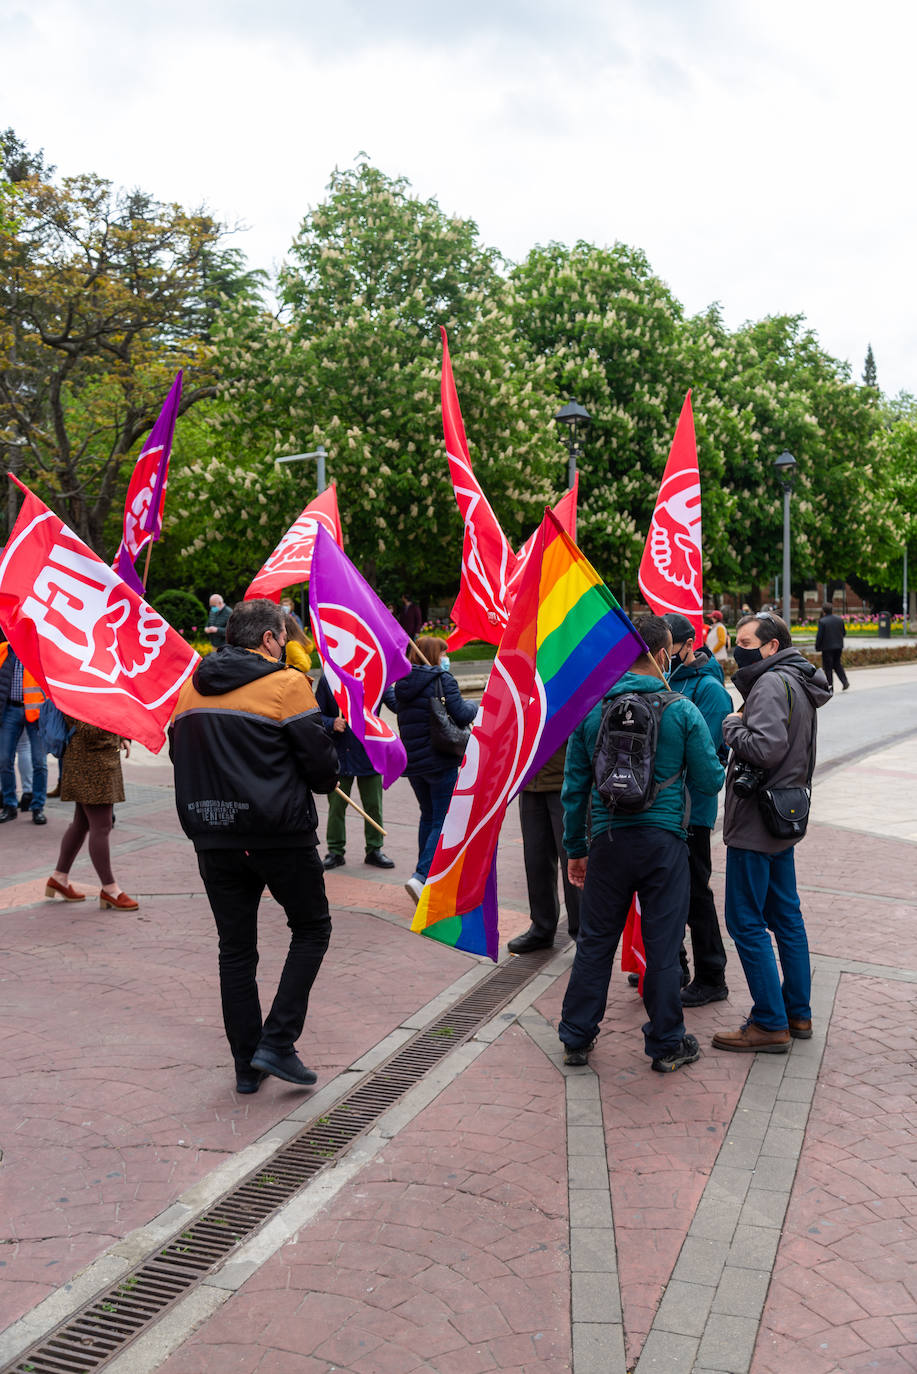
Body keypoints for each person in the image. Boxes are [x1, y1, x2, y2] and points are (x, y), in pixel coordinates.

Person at [169, 599, 339, 1093]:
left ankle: (247, 1066)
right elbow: (323, 773)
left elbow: (181, 754)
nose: (288, 644)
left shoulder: (189, 691)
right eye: (284, 636)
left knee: (235, 950)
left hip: (212, 834)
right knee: (312, 928)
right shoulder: (287, 685)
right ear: (269, 639)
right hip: (278, 834)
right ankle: (278, 1042)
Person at [558, 616, 725, 1072]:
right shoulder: (682, 709)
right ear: (662, 651)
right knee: (663, 945)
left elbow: (574, 790)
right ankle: (667, 1044)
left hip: (608, 841)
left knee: (595, 943)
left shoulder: (592, 710)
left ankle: (576, 1036)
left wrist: (577, 849)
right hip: (664, 844)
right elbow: (710, 780)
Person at [713, 612, 830, 1054]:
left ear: (771, 647)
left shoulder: (767, 685)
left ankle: (768, 1022)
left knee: (745, 921)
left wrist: (730, 723)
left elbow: (763, 747)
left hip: (756, 821)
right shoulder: (797, 682)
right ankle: (797, 1012)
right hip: (785, 813)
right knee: (786, 916)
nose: (736, 648)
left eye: (745, 641)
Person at [664, 613, 733, 1006]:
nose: (664, 653)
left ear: (690, 644)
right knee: (665, 893)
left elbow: (703, 755)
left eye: (671, 645)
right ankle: (675, 967)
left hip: (692, 810)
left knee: (694, 893)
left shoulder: (709, 690)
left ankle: (712, 975)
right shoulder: (666, 679)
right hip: (661, 808)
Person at [393, 635, 477, 905]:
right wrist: (477, 704)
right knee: (442, 818)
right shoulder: (442, 679)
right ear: (433, 655)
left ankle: (423, 878)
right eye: (442, 654)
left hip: (415, 764)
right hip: (441, 759)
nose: (445, 659)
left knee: (428, 816)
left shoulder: (403, 683)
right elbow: (463, 715)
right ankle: (421, 876)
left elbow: (395, 706)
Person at [45, 722, 136, 907]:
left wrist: (124, 735)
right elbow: (90, 730)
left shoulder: (91, 691)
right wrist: (118, 735)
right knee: (102, 826)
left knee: (82, 823)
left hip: (88, 763)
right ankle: (110, 889)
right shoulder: (85, 692)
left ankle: (59, 877)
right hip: (92, 766)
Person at [315, 674, 395, 871]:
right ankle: (335, 850)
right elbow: (316, 714)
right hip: (340, 755)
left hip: (370, 753)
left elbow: (397, 703)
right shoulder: (330, 679)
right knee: (336, 807)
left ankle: (374, 849)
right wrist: (331, 722)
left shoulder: (376, 676)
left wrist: (408, 681)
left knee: (374, 805)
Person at [507, 744, 581, 953]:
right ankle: (541, 927)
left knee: (574, 863)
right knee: (535, 860)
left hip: (566, 782)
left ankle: (583, 934)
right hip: (530, 782)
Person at [0, 637, 48, 825]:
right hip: (9, 711)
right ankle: (10, 805)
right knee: (4, 760)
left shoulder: (39, 649)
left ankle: (38, 807)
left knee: (40, 762)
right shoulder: (4, 650)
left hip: (35, 714)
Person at [815, 602, 849, 692]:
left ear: (823, 611)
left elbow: (820, 636)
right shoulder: (839, 619)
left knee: (828, 668)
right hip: (839, 646)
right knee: (837, 664)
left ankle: (830, 687)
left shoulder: (822, 621)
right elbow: (844, 633)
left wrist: (817, 646)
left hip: (827, 648)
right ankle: (845, 682)